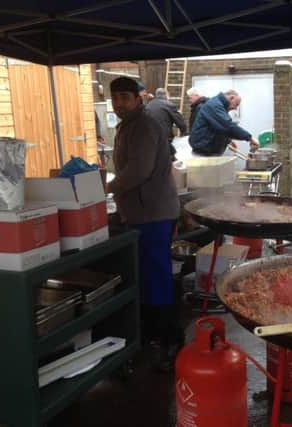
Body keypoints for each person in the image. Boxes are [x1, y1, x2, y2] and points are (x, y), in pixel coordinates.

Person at [107, 76, 183, 371]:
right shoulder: (129, 125)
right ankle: (153, 332)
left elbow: (139, 170)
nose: (119, 103)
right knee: (150, 273)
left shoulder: (145, 124)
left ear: (139, 98)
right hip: (141, 211)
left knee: (157, 273)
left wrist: (108, 187)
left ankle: (170, 338)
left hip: (153, 212)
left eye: (125, 97)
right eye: (115, 98)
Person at [188, 89, 260, 156]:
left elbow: (218, 128)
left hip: (208, 152)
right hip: (204, 153)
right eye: (236, 104)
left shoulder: (218, 105)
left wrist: (228, 140)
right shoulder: (215, 106)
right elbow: (228, 126)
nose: (235, 108)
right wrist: (250, 138)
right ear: (231, 98)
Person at [145, 88, 186, 160]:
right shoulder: (169, 105)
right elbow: (180, 121)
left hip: (149, 137)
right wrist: (183, 131)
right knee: (170, 158)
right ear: (166, 95)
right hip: (164, 137)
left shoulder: (148, 105)